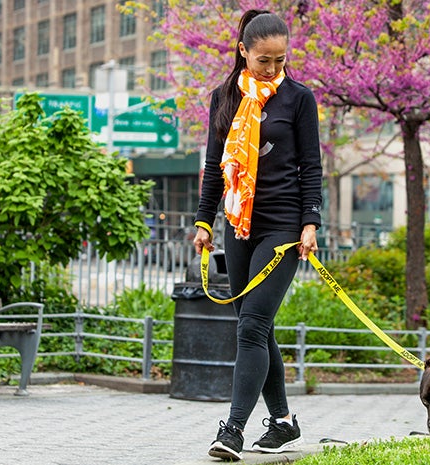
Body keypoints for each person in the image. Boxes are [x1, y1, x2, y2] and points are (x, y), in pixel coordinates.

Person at [192, 9, 322, 462]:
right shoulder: (223, 97)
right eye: (263, 60)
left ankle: (232, 430)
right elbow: (215, 167)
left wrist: (310, 223)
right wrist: (205, 221)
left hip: (284, 227)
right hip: (238, 223)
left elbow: (312, 166)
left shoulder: (299, 99)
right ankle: (284, 422)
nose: (272, 69)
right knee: (255, 325)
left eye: (280, 61)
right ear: (243, 51)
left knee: (251, 326)